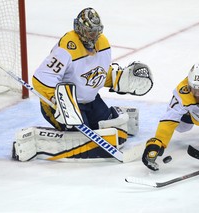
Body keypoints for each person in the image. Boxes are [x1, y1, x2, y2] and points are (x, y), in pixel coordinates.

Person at [12, 7, 153, 161]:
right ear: (79, 29)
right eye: (90, 32)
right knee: (80, 136)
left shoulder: (103, 43)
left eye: (96, 32)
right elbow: (41, 79)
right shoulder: (67, 47)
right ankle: (36, 143)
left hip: (91, 101)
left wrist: (118, 79)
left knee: (111, 130)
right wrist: (58, 102)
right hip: (65, 104)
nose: (94, 37)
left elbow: (98, 73)